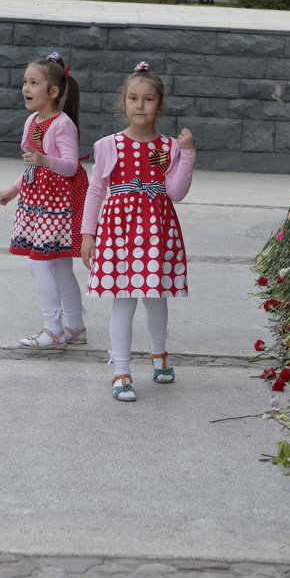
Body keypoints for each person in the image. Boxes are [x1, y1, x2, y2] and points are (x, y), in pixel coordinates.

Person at [81, 61, 196, 402]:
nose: (140, 105)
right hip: (119, 233)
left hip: (156, 232)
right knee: (124, 301)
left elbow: (174, 192)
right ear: (124, 103)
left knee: (156, 297)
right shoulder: (109, 146)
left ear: (159, 105)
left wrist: (187, 155)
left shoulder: (167, 148)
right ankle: (121, 371)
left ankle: (159, 357)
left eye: (148, 99)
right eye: (133, 98)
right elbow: (96, 190)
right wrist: (88, 233)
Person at [0, 52, 89, 349]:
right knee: (59, 268)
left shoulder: (62, 125)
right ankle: (75, 328)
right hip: (39, 203)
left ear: (53, 92)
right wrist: (13, 189)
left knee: (38, 264)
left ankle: (53, 328)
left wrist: (46, 159)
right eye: (25, 82)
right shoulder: (32, 120)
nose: (26, 88)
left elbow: (71, 166)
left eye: (34, 83)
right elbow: (34, 168)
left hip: (57, 206)